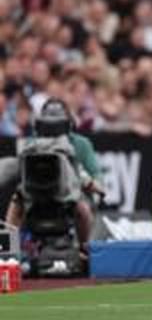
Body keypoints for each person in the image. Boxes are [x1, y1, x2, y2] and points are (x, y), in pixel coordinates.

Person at [4, 97, 103, 248]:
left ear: (68, 122)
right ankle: (9, 250)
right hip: (35, 194)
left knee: (83, 209)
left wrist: (95, 187)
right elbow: (17, 167)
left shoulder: (80, 144)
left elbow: (94, 175)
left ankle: (85, 249)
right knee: (15, 203)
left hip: (68, 195)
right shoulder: (31, 145)